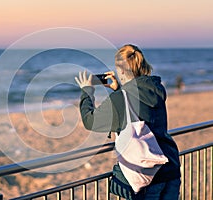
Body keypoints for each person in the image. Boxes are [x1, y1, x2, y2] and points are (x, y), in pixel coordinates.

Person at [75, 44, 181, 200]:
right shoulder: (155, 88)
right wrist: (119, 89)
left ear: (121, 70)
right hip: (171, 167)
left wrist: (87, 91)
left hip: (147, 176)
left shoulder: (121, 99)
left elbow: (90, 121)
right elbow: (139, 112)